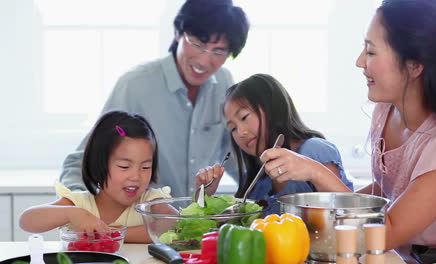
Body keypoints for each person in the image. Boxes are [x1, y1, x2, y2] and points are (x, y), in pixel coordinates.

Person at [260, 0, 436, 260]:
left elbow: (384, 233)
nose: (360, 62)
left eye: (371, 52)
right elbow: (387, 192)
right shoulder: (388, 111)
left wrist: (316, 171)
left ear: (414, 65)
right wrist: (322, 207)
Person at [59, 0, 249, 197]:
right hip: (143, 222)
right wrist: (77, 206)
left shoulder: (224, 83)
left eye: (218, 51)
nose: (204, 61)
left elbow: (236, 157)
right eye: (198, 44)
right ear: (178, 34)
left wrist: (274, 186)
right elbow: (86, 159)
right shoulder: (136, 86)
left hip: (197, 221)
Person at [195, 74, 353, 213]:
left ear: (272, 108)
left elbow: (349, 213)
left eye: (244, 117)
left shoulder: (314, 150)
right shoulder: (258, 183)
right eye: (233, 128)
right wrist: (205, 195)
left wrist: (314, 170)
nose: (241, 132)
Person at [20, 111, 177, 243]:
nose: (136, 176)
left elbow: (177, 225)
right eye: (124, 166)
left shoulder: (150, 202)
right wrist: (73, 213)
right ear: (98, 163)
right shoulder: (79, 204)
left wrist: (113, 234)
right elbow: (27, 220)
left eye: (145, 167)